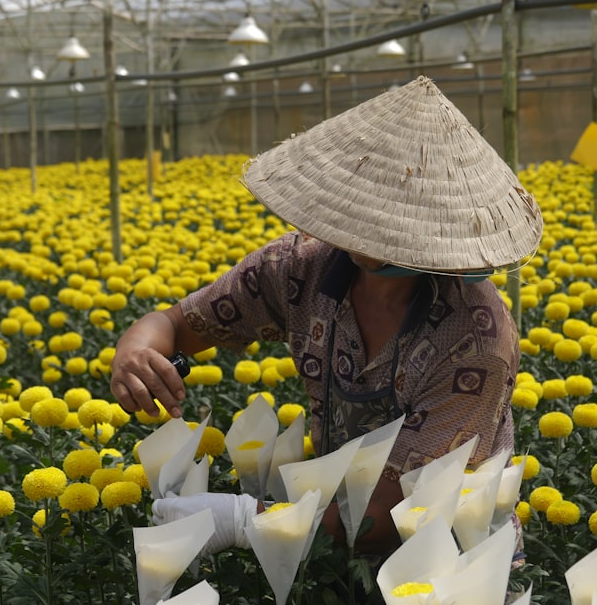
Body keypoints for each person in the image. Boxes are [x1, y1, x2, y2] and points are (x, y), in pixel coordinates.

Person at [110, 75, 543, 557]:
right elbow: (174, 324)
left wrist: (244, 520)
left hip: (456, 569)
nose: (370, 235)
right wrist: (136, 350)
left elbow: (395, 513)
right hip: (326, 540)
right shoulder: (298, 271)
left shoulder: (475, 339)